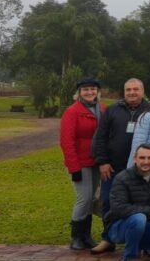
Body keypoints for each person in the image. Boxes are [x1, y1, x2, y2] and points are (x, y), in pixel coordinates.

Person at [91, 78, 150, 255]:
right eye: (128, 90)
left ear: (143, 91)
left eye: (136, 89)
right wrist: (102, 161)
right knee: (109, 203)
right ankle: (108, 239)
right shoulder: (112, 110)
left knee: (141, 204)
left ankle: (143, 242)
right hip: (113, 168)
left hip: (142, 169)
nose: (132, 93)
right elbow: (100, 137)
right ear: (124, 92)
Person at [103, 143, 150, 261]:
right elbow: (118, 208)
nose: (146, 161)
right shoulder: (122, 178)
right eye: (142, 158)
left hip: (144, 224)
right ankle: (130, 257)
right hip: (117, 226)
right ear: (135, 159)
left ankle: (143, 245)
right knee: (138, 218)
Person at [60, 77, 106, 250]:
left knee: (93, 198)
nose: (89, 92)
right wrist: (74, 168)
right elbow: (67, 141)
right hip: (81, 162)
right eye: (85, 90)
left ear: (97, 91)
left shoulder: (102, 108)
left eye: (93, 89)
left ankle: (86, 235)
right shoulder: (72, 112)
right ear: (79, 92)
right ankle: (76, 237)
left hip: (97, 161)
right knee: (84, 199)